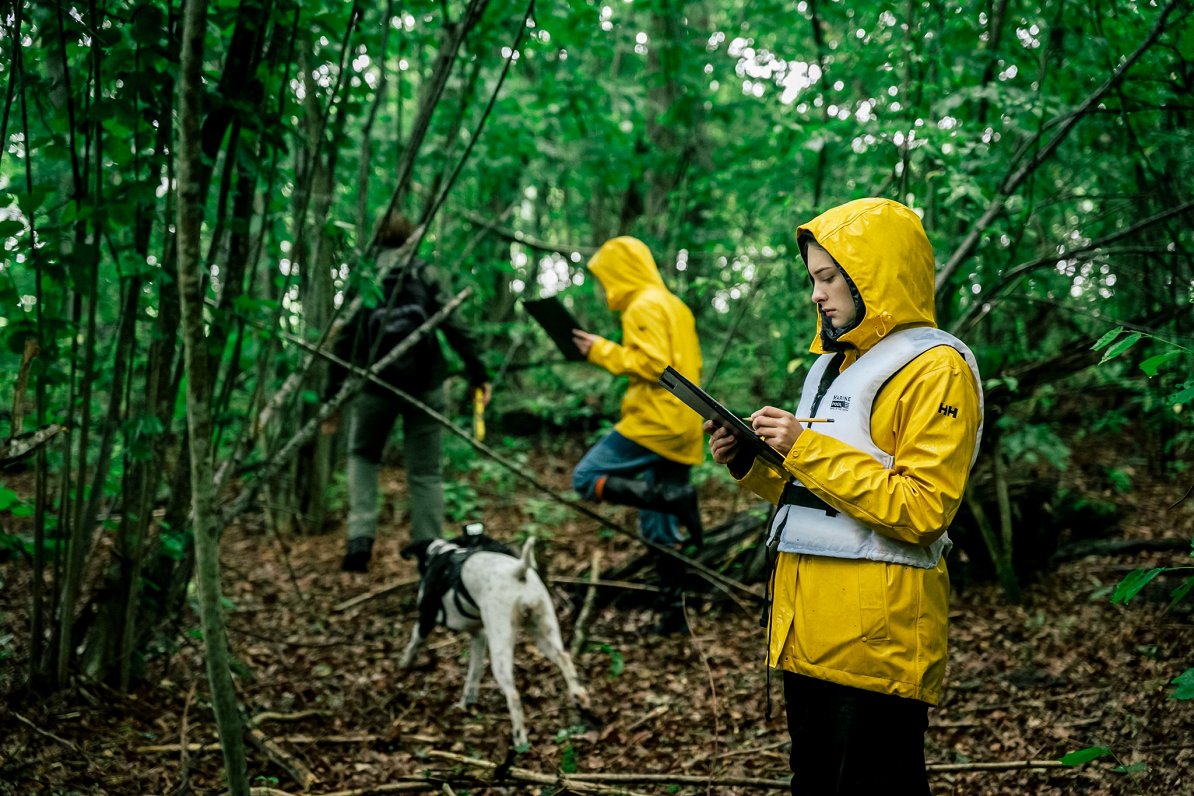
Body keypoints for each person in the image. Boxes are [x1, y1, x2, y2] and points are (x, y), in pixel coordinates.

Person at [707, 198, 983, 793]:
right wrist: (751, 463)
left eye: (829, 278)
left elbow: (923, 509)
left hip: (875, 645)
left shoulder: (937, 368)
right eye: (813, 279)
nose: (816, 294)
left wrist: (804, 446)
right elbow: (814, 495)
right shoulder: (831, 368)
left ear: (873, 275)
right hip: (806, 634)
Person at [327, 212, 491, 573]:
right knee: (426, 472)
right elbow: (455, 325)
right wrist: (480, 374)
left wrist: (332, 395)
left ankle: (360, 539)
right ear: (410, 239)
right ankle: (430, 551)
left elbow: (344, 338)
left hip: (375, 384)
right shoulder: (424, 273)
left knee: (363, 456)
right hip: (426, 384)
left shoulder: (365, 278)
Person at [570, 236, 705, 635]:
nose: (602, 285)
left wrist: (599, 350)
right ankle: (673, 617)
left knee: (583, 478)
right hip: (684, 425)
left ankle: (678, 498)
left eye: (605, 275)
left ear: (621, 271)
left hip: (654, 422)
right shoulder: (674, 305)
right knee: (661, 528)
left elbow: (652, 365)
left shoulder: (643, 305)